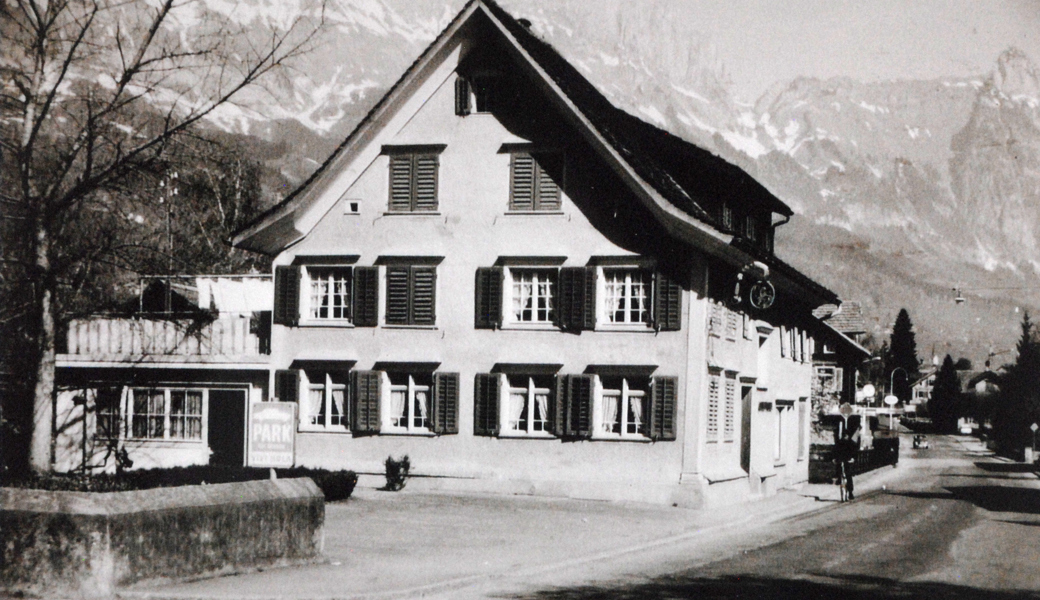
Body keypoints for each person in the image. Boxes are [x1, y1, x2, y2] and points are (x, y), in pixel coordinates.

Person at [834, 413, 862, 500]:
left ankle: (850, 492)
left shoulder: (851, 441)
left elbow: (854, 449)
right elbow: (836, 449)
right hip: (842, 456)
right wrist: (834, 458)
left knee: (848, 473)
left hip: (847, 456)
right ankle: (839, 478)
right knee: (839, 467)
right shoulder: (840, 440)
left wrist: (853, 458)